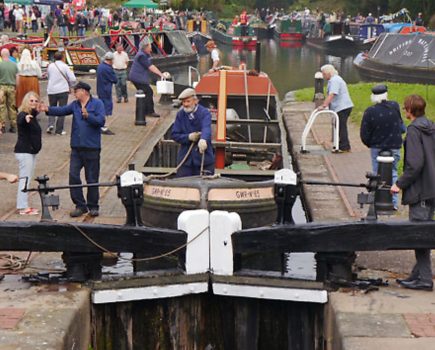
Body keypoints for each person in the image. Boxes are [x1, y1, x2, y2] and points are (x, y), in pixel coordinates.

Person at [40, 81, 105, 217]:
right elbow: (62, 110)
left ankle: (93, 206)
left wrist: (88, 116)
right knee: (73, 176)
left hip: (92, 147)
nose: (74, 93)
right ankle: (80, 205)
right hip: (76, 147)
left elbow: (101, 121)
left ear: (84, 91)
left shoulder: (97, 104)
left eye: (76, 91)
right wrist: (47, 109)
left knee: (92, 178)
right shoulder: (75, 105)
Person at [391, 95, 435, 291]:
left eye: (405, 107)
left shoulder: (414, 131)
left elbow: (415, 164)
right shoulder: (431, 126)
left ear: (409, 110)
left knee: (419, 235)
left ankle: (424, 280)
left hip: (421, 190)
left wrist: (399, 184)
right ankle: (417, 275)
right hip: (432, 187)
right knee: (423, 232)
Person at [360, 84, 405, 210]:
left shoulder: (370, 111)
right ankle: (394, 203)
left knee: (376, 174)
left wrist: (370, 144)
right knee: (394, 173)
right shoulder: (395, 106)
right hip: (394, 145)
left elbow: (364, 133)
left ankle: (378, 200)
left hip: (377, 146)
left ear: (373, 96)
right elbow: (400, 125)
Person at [171, 88, 215, 177]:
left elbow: (206, 128)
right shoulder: (180, 115)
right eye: (183, 102)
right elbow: (174, 134)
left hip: (204, 160)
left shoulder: (204, 113)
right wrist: (188, 137)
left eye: (188, 101)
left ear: (195, 101)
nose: (185, 104)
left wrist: (203, 139)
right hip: (185, 161)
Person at [14, 91, 42, 216]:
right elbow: (21, 120)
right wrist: (25, 119)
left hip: (30, 152)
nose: (34, 103)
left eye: (36, 101)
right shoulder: (24, 114)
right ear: (26, 101)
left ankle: (24, 205)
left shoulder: (32, 114)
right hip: (25, 152)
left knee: (27, 178)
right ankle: (22, 207)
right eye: (31, 101)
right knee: (25, 179)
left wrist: (37, 111)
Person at [128, 38, 166, 118]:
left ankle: (144, 111)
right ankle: (149, 112)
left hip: (136, 78)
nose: (151, 49)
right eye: (150, 47)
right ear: (145, 47)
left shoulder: (143, 54)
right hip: (138, 78)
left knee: (146, 92)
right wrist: (161, 74)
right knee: (148, 92)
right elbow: (150, 67)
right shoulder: (141, 56)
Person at [320, 64, 354, 153]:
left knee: (341, 126)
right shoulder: (335, 79)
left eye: (324, 74)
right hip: (342, 106)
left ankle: (345, 146)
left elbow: (332, 94)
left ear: (329, 73)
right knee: (338, 125)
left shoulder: (335, 80)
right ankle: (340, 144)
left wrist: (324, 105)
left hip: (342, 107)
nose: (323, 76)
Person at [46, 51, 76, 136]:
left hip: (51, 90)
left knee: (52, 108)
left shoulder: (50, 66)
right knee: (62, 110)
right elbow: (73, 79)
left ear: (54, 58)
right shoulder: (65, 66)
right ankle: (59, 130)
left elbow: (48, 76)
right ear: (63, 58)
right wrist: (70, 85)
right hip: (62, 90)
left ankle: (50, 125)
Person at [97, 52, 117, 135]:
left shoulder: (100, 66)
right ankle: (103, 127)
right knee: (106, 108)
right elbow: (115, 79)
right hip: (106, 90)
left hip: (100, 89)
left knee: (101, 107)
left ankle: (101, 125)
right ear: (111, 60)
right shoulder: (108, 69)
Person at [0, 48, 18, 133]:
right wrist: (16, 87)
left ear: (1, 55)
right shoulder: (14, 65)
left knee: (2, 107)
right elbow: (17, 77)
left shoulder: (0, 65)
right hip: (12, 87)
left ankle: (2, 125)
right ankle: (13, 125)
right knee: (12, 107)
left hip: (2, 88)